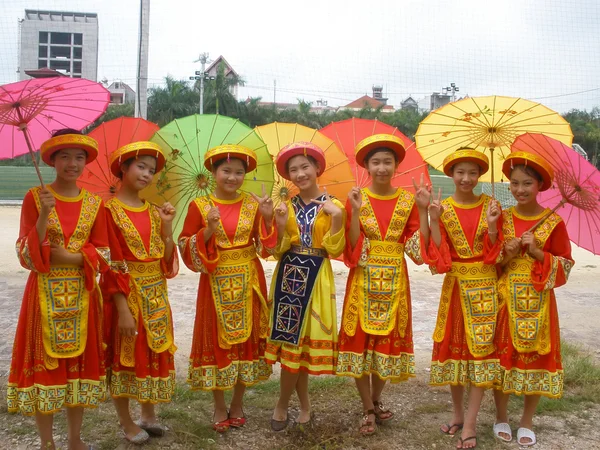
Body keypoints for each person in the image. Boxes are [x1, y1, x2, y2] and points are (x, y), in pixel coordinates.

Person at [7, 129, 111, 450]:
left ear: (86, 163)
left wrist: (69, 256)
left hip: (81, 297)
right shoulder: (35, 198)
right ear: (52, 160)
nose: (72, 163)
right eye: (64, 156)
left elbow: (104, 254)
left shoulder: (95, 204)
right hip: (42, 297)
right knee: (46, 371)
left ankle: (76, 439)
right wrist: (43, 217)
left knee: (77, 371)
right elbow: (26, 253)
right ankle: (46, 442)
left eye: (79, 157)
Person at [335, 134, 430, 435]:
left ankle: (374, 400)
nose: (381, 168)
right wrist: (353, 213)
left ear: (396, 165)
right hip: (362, 281)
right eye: (375, 162)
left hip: (395, 283)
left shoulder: (407, 201)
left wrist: (425, 210)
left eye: (387, 162)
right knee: (359, 346)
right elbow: (351, 246)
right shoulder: (356, 198)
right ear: (366, 165)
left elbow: (418, 248)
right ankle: (367, 408)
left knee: (386, 347)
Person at [178, 144, 276, 433]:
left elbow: (266, 248)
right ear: (213, 173)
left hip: (249, 278)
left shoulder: (252, 204)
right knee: (216, 341)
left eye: (239, 172)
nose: (232, 178)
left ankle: (237, 402)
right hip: (215, 282)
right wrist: (207, 230)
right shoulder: (200, 206)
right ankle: (219, 405)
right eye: (226, 171)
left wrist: (268, 217)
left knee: (246, 343)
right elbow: (186, 247)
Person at [423, 148, 503, 449]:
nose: (466, 178)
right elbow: (438, 258)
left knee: (481, 355)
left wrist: (494, 225)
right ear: (451, 174)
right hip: (456, 289)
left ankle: (470, 424)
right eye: (460, 172)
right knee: (453, 353)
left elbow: (496, 254)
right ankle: (457, 414)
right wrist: (432, 220)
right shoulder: (443, 208)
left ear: (480, 175)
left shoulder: (492, 206)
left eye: (472, 173)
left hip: (485, 289)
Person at [493, 151, 574, 447]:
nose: (520, 190)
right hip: (506, 301)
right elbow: (490, 264)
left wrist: (539, 253)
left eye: (527, 183)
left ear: (540, 185)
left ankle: (526, 420)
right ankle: (501, 415)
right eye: (514, 183)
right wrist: (506, 254)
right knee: (503, 356)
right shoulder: (501, 218)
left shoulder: (554, 223)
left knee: (537, 358)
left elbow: (565, 265)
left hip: (539, 302)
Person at [266, 142, 346, 431]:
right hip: (288, 276)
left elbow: (335, 250)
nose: (300, 174)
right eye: (293, 170)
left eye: (305, 167)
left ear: (317, 168)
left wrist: (336, 219)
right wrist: (280, 223)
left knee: (301, 347)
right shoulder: (285, 206)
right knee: (291, 345)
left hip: (317, 279)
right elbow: (276, 250)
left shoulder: (335, 206)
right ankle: (287, 404)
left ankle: (294, 405)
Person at [102, 141, 178, 443]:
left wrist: (167, 228)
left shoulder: (154, 210)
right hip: (125, 293)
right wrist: (121, 308)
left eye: (152, 170)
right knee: (123, 357)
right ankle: (125, 420)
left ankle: (148, 414)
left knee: (151, 351)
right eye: (140, 167)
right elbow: (110, 263)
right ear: (123, 167)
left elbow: (166, 259)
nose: (147, 174)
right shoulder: (108, 212)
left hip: (156, 292)